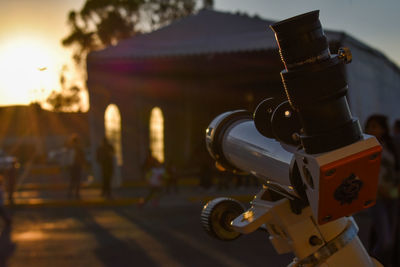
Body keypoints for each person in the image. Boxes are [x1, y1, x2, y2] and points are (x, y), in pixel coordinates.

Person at [365, 114, 399, 266]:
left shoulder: (390, 146)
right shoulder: (365, 147)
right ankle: (368, 263)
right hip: (376, 196)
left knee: (390, 239)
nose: (371, 130)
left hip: (393, 195)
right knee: (385, 241)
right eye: (369, 126)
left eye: (375, 126)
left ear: (383, 129)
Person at [68, 135, 86, 199]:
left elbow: (69, 158)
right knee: (77, 180)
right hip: (77, 166)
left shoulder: (71, 148)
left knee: (73, 180)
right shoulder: (78, 149)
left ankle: (71, 193)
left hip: (74, 166)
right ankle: (76, 193)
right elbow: (82, 158)